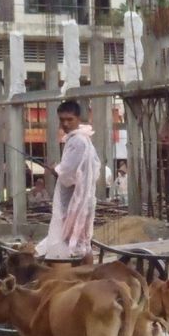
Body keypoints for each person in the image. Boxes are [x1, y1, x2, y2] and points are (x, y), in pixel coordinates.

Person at [35, 100, 101, 260]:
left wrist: (55, 170)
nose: (65, 123)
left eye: (69, 119)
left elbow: (68, 174)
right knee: (80, 240)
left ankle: (74, 272)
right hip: (81, 199)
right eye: (62, 120)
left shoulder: (78, 141)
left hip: (73, 201)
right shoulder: (82, 139)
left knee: (70, 240)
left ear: (78, 119)